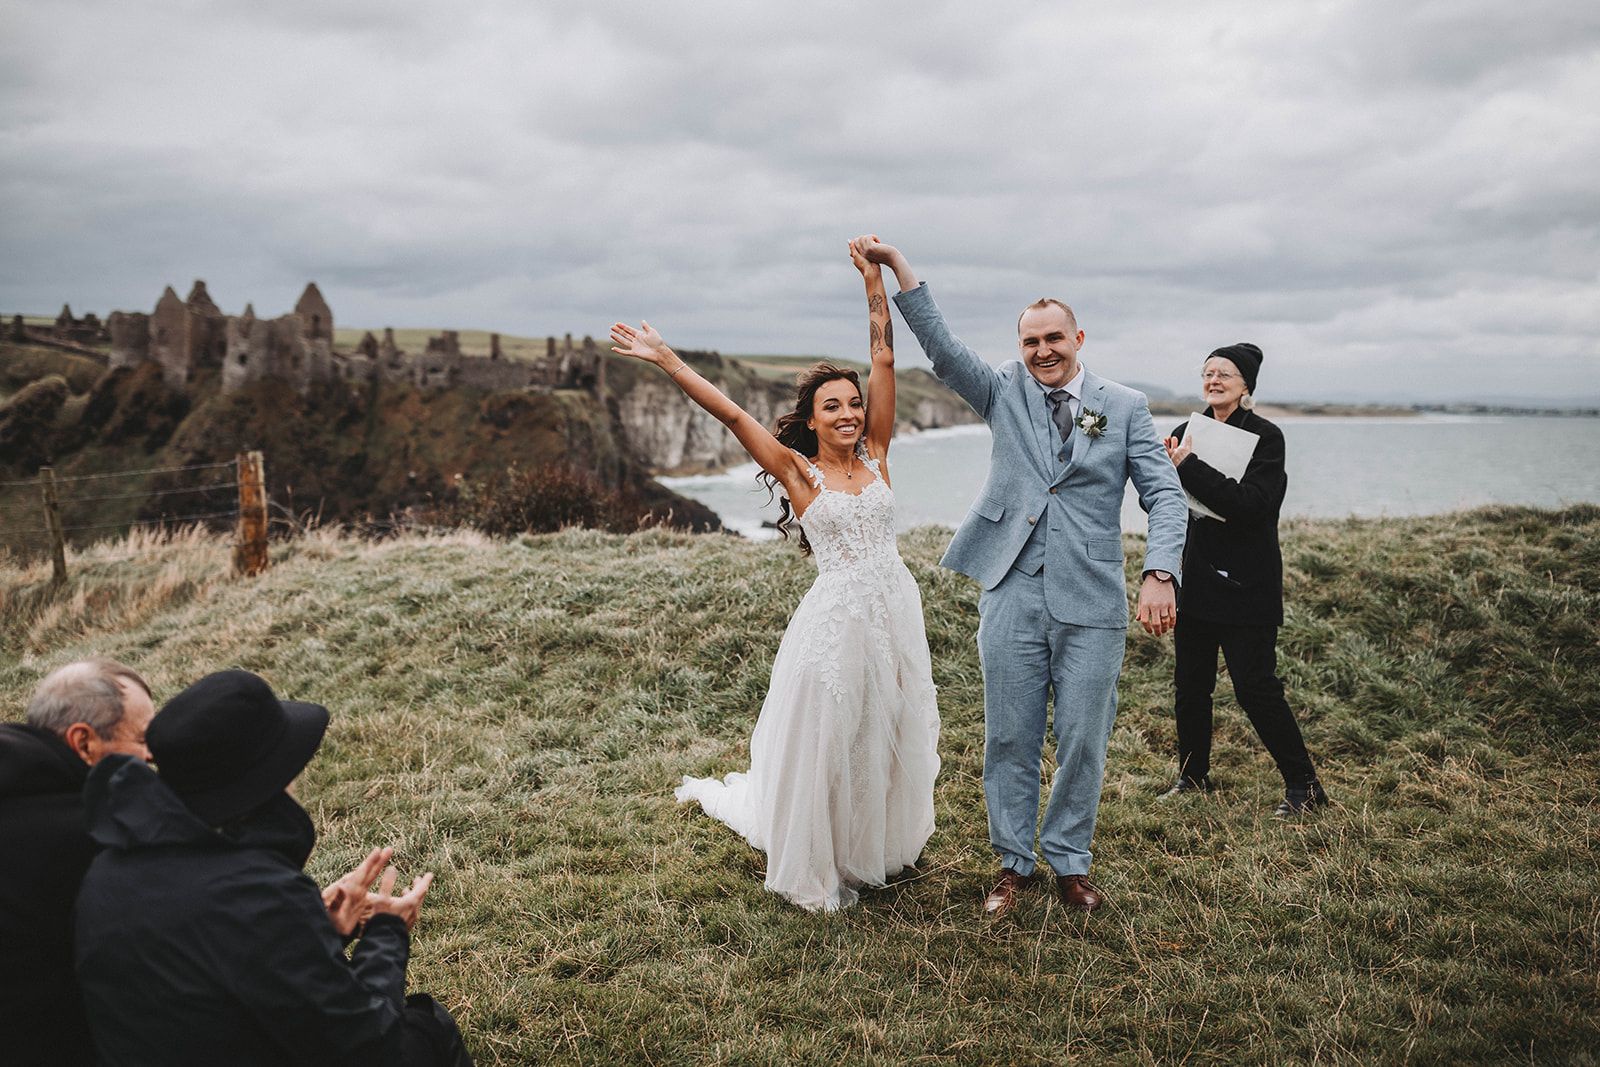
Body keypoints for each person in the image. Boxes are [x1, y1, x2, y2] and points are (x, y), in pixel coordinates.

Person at [857, 237, 1187, 917]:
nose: (1042, 350)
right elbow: (943, 350)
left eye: (1054, 338)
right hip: (1010, 589)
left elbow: (1167, 494)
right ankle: (1012, 864)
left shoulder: (1123, 406)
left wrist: (1161, 572)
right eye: (1030, 340)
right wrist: (899, 271)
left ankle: (1070, 860)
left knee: (1082, 737)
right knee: (1009, 733)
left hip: (1093, 597)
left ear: (1078, 337)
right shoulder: (1002, 389)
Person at [613, 236, 941, 911]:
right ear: (812, 419)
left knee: (890, 726)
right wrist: (669, 360)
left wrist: (873, 280)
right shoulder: (800, 473)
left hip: (893, 610)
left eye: (853, 402)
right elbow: (733, 414)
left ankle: (871, 848)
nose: (849, 412)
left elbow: (883, 355)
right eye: (834, 406)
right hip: (837, 623)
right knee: (833, 737)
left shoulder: (878, 452)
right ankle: (820, 860)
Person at [74, 669, 472, 1066]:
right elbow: (366, 1044)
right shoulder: (254, 891)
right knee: (427, 1029)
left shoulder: (108, 867)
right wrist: (387, 933)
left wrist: (319, 930)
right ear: (268, 778)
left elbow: (211, 975)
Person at [1161, 343, 1328, 815]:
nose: (1214, 380)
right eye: (1208, 372)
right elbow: (1161, 501)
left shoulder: (1266, 437)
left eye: (1225, 374)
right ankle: (1192, 778)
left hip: (1247, 583)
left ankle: (1305, 786)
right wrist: (1166, 479)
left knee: (1256, 686)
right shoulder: (1182, 432)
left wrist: (1187, 467)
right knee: (1191, 685)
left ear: (1246, 385)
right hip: (1194, 579)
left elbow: (1251, 506)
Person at [0, 658, 155, 1067]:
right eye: (141, 739)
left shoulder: (17, 778)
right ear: (84, 742)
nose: (151, 755)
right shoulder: (88, 836)